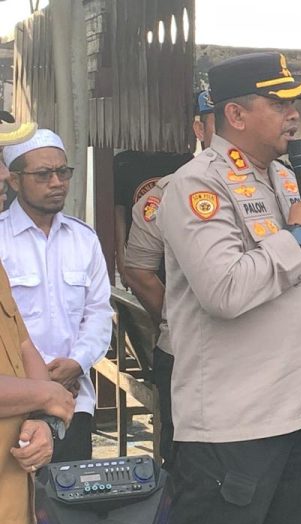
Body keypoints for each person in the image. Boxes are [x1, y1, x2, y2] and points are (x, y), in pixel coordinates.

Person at [157, 52, 301, 524]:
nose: (294, 115)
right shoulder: (198, 183)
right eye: (279, 103)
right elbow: (224, 290)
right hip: (234, 430)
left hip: (300, 419)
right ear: (235, 114)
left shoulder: (285, 178)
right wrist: (298, 236)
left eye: (295, 104)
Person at [0, 129, 113, 463]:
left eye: (63, 172)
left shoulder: (84, 239)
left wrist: (77, 362)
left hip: (73, 401)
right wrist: (39, 382)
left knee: (70, 492)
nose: (57, 182)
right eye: (43, 174)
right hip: (13, 402)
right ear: (15, 180)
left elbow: (98, 313)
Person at [123, 89, 215, 466]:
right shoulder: (167, 192)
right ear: (199, 128)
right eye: (221, 121)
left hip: (262, 359)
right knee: (187, 461)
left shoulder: (282, 184)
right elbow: (137, 270)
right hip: (189, 354)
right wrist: (175, 315)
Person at [0, 111, 75, 524]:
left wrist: (44, 419)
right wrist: (48, 394)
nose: (2, 175)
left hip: (12, 504)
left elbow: (22, 343)